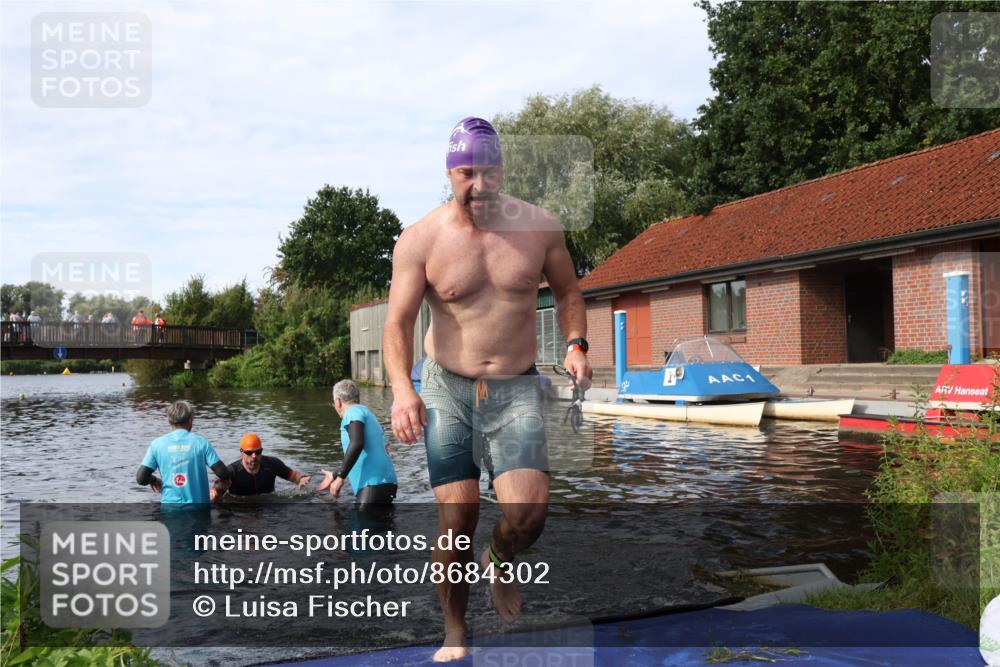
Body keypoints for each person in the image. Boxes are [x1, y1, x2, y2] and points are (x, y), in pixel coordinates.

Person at [383, 116, 591, 662]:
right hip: (447, 388)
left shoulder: (539, 228)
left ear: (503, 170)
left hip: (515, 388)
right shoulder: (420, 239)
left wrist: (575, 344)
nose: (478, 185)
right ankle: (455, 629)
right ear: (450, 172)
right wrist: (403, 391)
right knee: (458, 519)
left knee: (529, 514)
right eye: (466, 172)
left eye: (488, 171)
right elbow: (397, 323)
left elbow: (569, 291)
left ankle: (499, 561)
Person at [316, 379, 398, 508]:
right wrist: (335, 474)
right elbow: (374, 453)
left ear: (338, 401)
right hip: (387, 483)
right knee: (381, 527)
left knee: (362, 527)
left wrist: (340, 478)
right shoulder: (369, 415)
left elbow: (357, 443)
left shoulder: (352, 412)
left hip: (371, 485)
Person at [136, 400, 231, 504]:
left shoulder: (156, 444)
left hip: (170, 509)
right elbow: (223, 473)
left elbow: (141, 478)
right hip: (198, 509)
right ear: (190, 420)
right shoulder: (201, 443)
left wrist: (154, 480)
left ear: (169, 421)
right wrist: (218, 487)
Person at [211, 433, 311, 501]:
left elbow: (293, 476)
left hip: (268, 507)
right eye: (249, 452)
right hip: (241, 511)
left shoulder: (272, 464)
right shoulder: (232, 472)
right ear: (242, 452)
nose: (254, 456)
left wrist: (301, 479)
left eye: (258, 452)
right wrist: (215, 494)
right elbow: (215, 492)